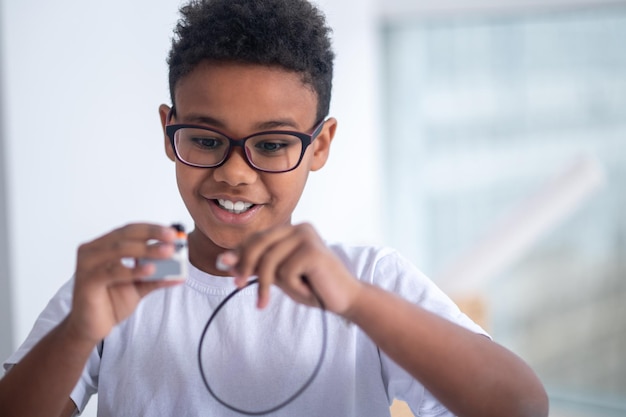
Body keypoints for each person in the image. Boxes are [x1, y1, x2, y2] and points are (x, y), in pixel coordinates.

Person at [0, 1, 549, 416]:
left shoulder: (365, 279)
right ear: (169, 131)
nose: (235, 172)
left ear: (320, 145)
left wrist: (360, 303)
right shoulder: (119, 282)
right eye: (206, 139)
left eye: (271, 145)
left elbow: (521, 405)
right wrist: (76, 332)